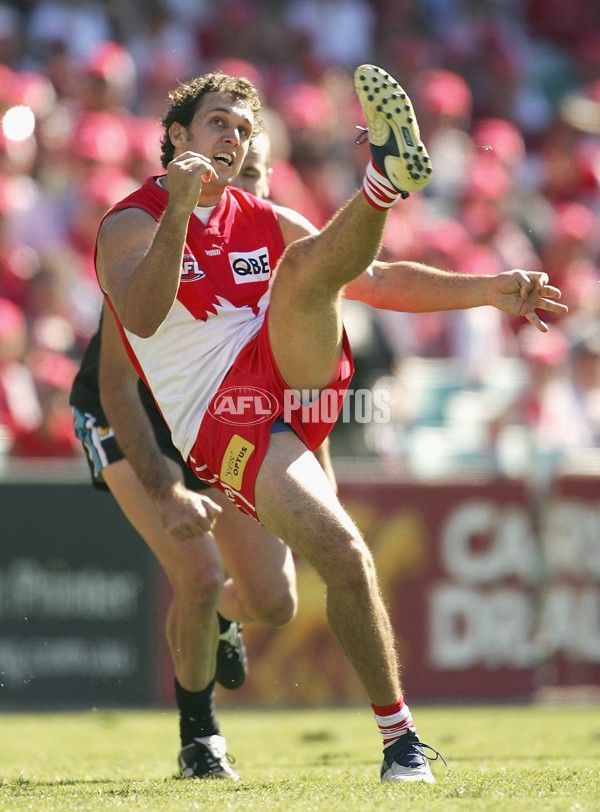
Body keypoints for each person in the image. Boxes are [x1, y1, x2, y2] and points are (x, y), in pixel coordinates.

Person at [95, 65, 566, 783]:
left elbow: (374, 281)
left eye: (244, 128)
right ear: (177, 136)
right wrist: (182, 212)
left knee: (305, 270)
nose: (234, 137)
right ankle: (381, 183)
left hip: (291, 381)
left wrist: (489, 291)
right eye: (218, 122)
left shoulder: (260, 215)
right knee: (312, 580)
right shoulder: (129, 221)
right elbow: (141, 317)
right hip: (224, 418)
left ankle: (400, 742)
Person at [70, 135, 304, 782]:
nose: (246, 185)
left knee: (275, 603)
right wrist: (168, 489)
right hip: (128, 419)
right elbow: (119, 384)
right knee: (199, 575)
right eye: (238, 170)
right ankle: (200, 738)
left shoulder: (271, 243)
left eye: (256, 173)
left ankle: (226, 619)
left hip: (209, 420)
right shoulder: (154, 237)